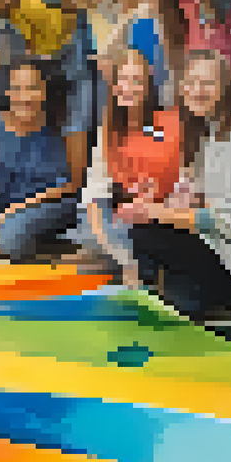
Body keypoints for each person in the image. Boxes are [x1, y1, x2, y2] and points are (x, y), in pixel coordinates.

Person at [121, 51, 231, 324]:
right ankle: (207, 295)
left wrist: (162, 213)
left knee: (150, 232)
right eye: (190, 83)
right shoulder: (210, 127)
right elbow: (199, 193)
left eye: (208, 83)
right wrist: (161, 201)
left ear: (226, 87)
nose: (197, 91)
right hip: (225, 244)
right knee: (150, 232)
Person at [76, 48, 184, 285]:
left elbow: (180, 179)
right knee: (96, 237)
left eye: (137, 81)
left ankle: (134, 263)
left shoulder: (168, 123)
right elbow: (96, 194)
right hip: (118, 211)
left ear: (148, 85)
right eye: (123, 80)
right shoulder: (108, 130)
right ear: (113, 86)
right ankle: (127, 261)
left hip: (158, 212)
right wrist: (120, 252)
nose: (129, 88)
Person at [0, 58, 86, 261]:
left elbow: (74, 184)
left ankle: (63, 244)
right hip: (8, 203)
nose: (24, 97)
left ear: (44, 91)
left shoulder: (65, 123)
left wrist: (17, 209)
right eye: (17, 89)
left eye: (32, 88)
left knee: (9, 239)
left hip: (53, 202)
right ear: (8, 93)